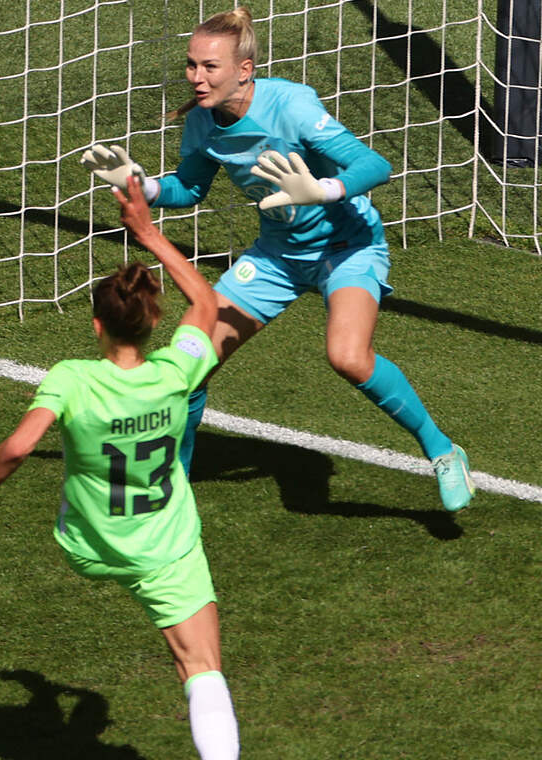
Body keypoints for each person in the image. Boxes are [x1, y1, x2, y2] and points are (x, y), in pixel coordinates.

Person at [79, 6, 473, 511]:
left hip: (346, 247)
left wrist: (324, 189)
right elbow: (191, 187)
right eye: (192, 64)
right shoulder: (202, 120)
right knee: (190, 367)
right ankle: (175, 482)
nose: (196, 77)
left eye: (210, 66)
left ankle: (442, 451)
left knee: (348, 357)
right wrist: (143, 185)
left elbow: (374, 164)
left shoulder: (291, 104)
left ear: (244, 70)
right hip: (277, 257)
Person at [0, 176, 240, 760]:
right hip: (166, 549)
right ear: (152, 324)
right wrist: (148, 234)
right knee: (201, 667)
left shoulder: (72, 378)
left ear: (97, 326)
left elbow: (19, 448)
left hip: (89, 544)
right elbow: (206, 304)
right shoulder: (176, 372)